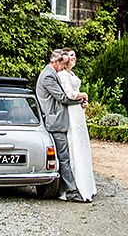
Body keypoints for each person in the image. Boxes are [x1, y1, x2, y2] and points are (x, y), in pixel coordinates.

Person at [35, 48, 88, 202]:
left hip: (59, 119)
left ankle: (68, 188)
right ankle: (71, 191)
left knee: (65, 156)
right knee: (63, 158)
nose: (63, 67)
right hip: (56, 121)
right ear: (55, 61)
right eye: (62, 63)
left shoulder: (51, 73)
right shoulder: (48, 76)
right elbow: (62, 97)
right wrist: (81, 99)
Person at [57, 49, 96, 201]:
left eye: (75, 55)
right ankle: (75, 186)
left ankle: (87, 185)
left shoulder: (72, 74)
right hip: (71, 112)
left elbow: (75, 95)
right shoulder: (62, 75)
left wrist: (83, 102)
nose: (74, 58)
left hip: (77, 111)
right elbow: (70, 94)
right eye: (71, 55)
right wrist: (84, 95)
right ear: (65, 58)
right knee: (75, 146)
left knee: (82, 144)